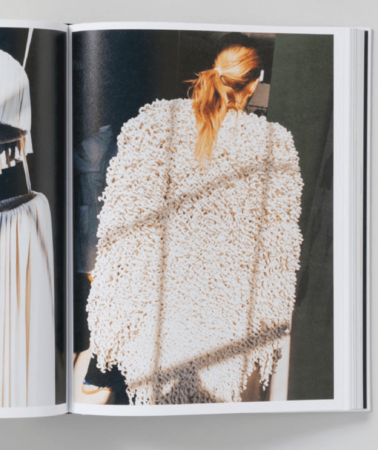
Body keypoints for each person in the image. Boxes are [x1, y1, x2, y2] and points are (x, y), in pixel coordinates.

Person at [81, 33, 304, 405]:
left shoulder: (155, 123)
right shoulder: (273, 145)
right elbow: (276, 254)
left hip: (155, 309)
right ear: (254, 83)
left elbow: (125, 226)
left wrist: (111, 322)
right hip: (222, 315)